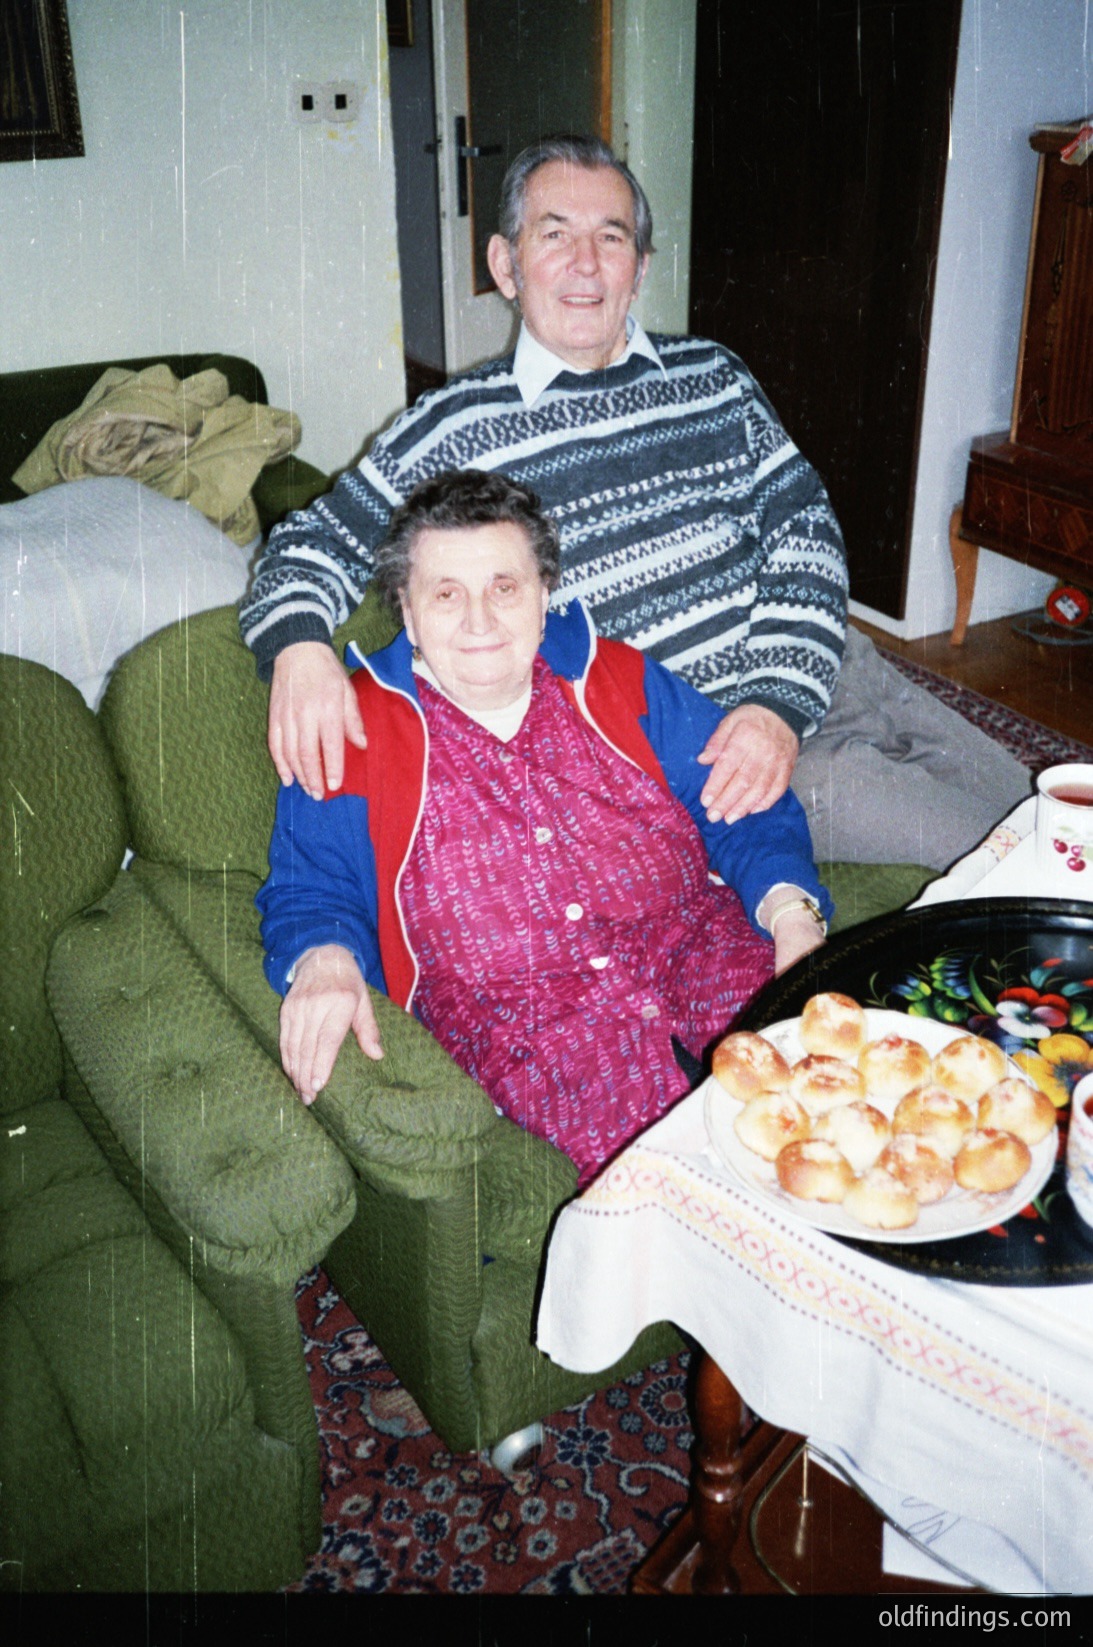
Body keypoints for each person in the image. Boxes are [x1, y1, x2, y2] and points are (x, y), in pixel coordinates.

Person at [240, 136, 1030, 871]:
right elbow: (310, 544)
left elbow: (806, 534)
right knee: (1015, 862)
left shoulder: (713, 376)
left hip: (834, 673)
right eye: (553, 234)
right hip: (723, 757)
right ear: (505, 265)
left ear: (639, 267)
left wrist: (780, 698)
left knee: (1052, 807)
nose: (585, 263)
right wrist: (301, 652)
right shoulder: (452, 429)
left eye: (610, 237)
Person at [257, 471, 832, 1186]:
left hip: (700, 947)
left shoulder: (614, 676)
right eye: (445, 594)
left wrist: (790, 915)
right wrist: (324, 957)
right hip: (533, 1031)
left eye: (504, 587)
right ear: (405, 610)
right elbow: (310, 888)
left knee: (841, 1100)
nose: (479, 620)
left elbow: (742, 800)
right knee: (684, 1190)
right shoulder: (356, 728)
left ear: (544, 590)